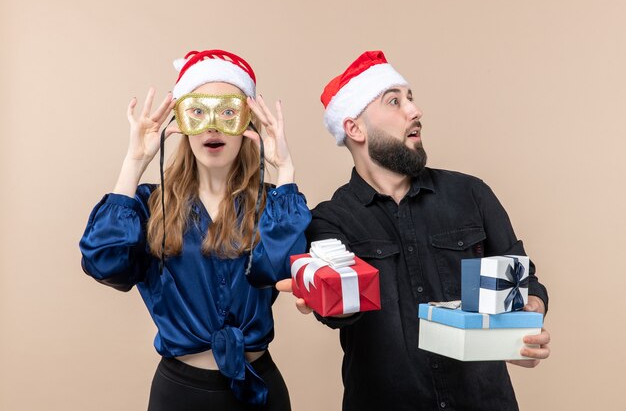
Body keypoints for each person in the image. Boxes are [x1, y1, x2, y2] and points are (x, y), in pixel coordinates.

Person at [280, 50, 551, 411]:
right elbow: (336, 311)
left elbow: (525, 281)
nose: (414, 110)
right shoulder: (330, 221)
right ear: (354, 128)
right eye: (394, 101)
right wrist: (320, 292)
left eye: (410, 98)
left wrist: (527, 319)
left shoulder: (471, 194)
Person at [79, 49, 311, 411]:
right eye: (199, 112)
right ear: (182, 122)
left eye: (228, 112)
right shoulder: (151, 205)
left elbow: (284, 270)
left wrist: (285, 173)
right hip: (180, 394)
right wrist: (134, 162)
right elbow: (107, 265)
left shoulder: (273, 204)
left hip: (260, 388)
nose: (213, 126)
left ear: (248, 123)